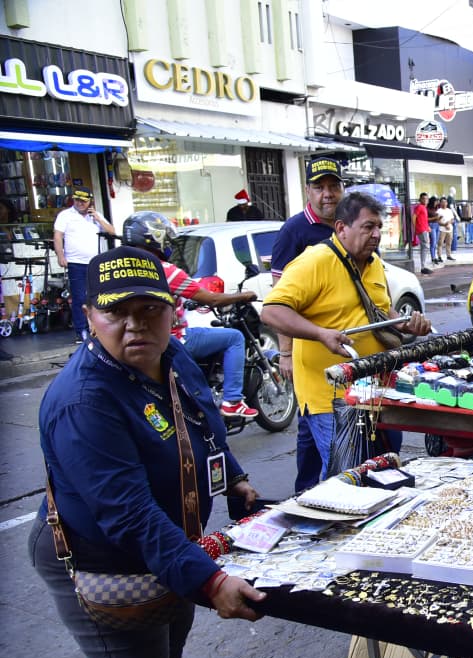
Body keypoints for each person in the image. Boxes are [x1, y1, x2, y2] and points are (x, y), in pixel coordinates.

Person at [30, 245, 267, 658]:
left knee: (165, 657)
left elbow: (202, 422)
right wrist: (210, 579)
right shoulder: (84, 400)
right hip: (102, 555)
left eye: (149, 309)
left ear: (172, 311)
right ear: (89, 315)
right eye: (116, 312)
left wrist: (235, 478)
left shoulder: (171, 356)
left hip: (170, 542)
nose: (135, 325)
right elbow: (129, 515)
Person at [262, 192, 432, 481]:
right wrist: (319, 334)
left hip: (376, 392)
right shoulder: (314, 261)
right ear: (341, 228)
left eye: (379, 227)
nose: (376, 234)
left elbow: (380, 309)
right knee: (349, 480)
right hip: (331, 399)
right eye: (368, 227)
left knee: (384, 472)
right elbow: (272, 311)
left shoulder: (374, 262)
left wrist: (405, 324)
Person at [122, 211, 261, 422]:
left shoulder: (122, 269)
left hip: (135, 339)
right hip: (174, 339)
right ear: (154, 237)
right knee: (234, 337)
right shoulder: (165, 271)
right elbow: (212, 299)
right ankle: (232, 400)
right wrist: (244, 295)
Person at [269, 158, 343, 493]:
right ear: (307, 191)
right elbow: (279, 301)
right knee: (312, 425)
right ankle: (309, 492)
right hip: (309, 353)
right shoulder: (294, 231)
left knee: (313, 427)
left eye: (333, 186)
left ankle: (307, 492)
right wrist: (285, 353)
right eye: (319, 187)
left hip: (340, 353)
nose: (327, 194)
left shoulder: (347, 224)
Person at [54, 187, 113, 344]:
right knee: (79, 298)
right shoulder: (65, 215)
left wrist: (98, 219)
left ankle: (100, 328)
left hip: (95, 262)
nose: (80, 203)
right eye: (77, 200)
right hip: (76, 263)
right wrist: (60, 255)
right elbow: (58, 236)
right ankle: (81, 331)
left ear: (89, 201)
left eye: (83, 201)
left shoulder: (95, 216)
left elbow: (112, 231)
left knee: (99, 297)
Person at [412, 192, 432, 274]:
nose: (425, 200)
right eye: (423, 198)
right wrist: (415, 227)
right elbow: (414, 217)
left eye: (427, 199)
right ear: (420, 199)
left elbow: (424, 219)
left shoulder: (423, 207)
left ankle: (423, 266)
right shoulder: (419, 207)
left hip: (424, 229)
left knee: (425, 247)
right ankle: (423, 267)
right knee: (425, 247)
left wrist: (428, 227)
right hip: (421, 229)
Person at [436, 197, 456, 261]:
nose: (444, 203)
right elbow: (438, 221)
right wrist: (444, 225)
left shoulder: (449, 210)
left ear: (447, 203)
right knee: (440, 243)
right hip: (442, 229)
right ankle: (439, 256)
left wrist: (448, 223)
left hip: (449, 229)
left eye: (445, 202)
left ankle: (448, 255)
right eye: (442, 202)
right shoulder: (439, 211)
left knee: (449, 243)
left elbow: (452, 219)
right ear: (440, 203)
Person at [427, 196, 441, 266]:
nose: (436, 203)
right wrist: (435, 217)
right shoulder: (428, 209)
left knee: (436, 242)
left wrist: (439, 218)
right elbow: (426, 219)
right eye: (435, 202)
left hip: (437, 225)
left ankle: (435, 257)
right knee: (433, 242)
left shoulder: (436, 208)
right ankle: (433, 257)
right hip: (431, 225)